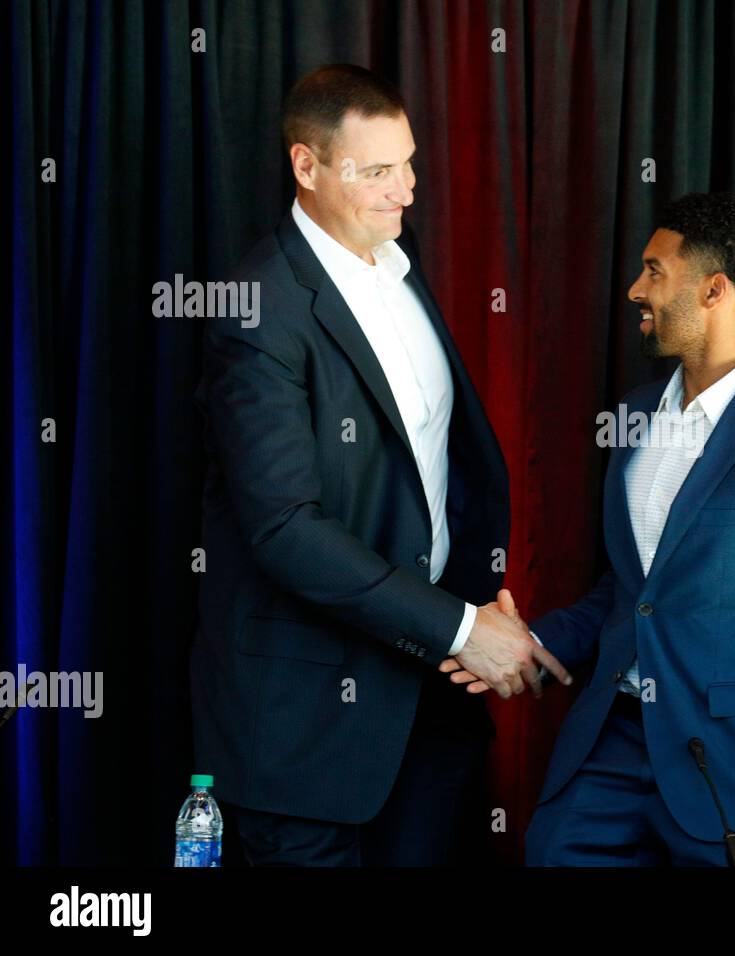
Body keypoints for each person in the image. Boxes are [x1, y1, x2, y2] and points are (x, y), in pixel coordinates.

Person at [444, 192, 735, 866]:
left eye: (654, 271)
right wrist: (530, 642)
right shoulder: (634, 416)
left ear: (715, 290)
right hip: (611, 747)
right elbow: (631, 592)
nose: (635, 289)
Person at [190, 64, 566, 866]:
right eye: (375, 172)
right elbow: (286, 529)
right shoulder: (258, 310)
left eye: (408, 163)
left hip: (429, 702)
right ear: (307, 167)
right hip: (305, 726)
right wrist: (465, 631)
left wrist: (472, 618)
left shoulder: (399, 253)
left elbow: (435, 463)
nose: (404, 191)